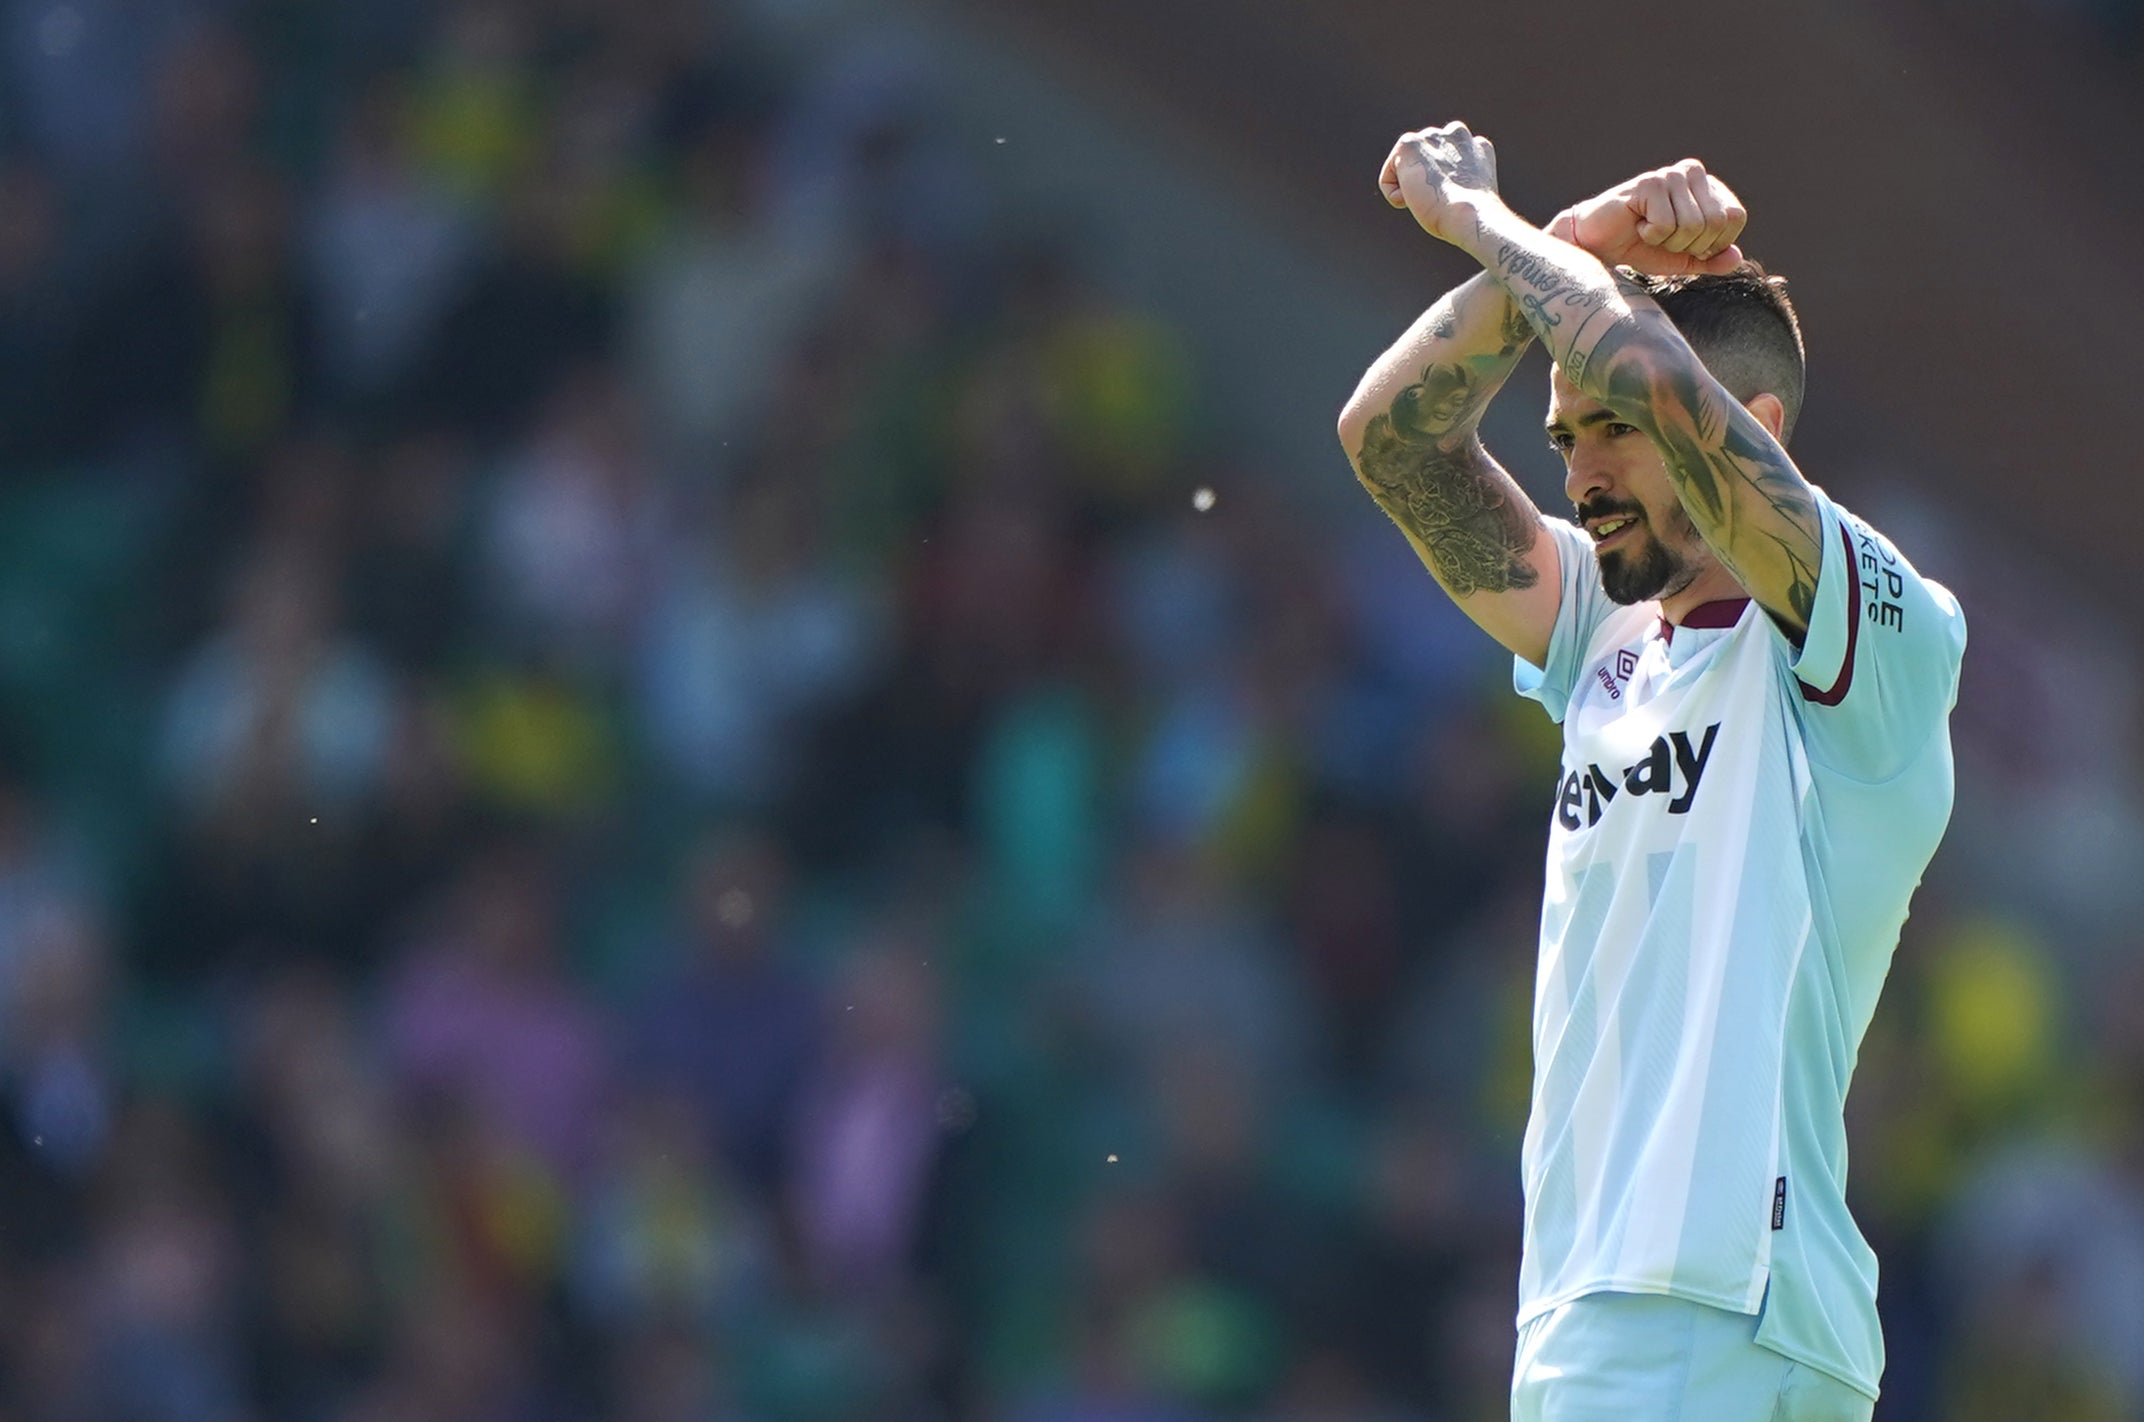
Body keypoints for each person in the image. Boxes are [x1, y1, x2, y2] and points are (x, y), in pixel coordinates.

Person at [1337, 124, 1967, 1421]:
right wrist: (1565, 246)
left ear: (1760, 428)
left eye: (1607, 433)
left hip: (1689, 1307)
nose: (1577, 473)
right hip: (1645, 1313)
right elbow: (1394, 443)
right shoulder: (1602, 636)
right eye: (1564, 438)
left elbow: (1660, 379)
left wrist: (1491, 224)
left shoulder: (1883, 636)